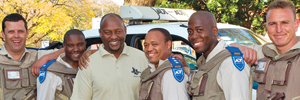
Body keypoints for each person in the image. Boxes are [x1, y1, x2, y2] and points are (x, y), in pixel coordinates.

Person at [70, 13, 148, 100]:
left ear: (125, 31)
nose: (114, 37)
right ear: (100, 33)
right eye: (108, 32)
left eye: (118, 31)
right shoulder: (88, 63)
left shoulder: (142, 58)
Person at [237, 0, 300, 99]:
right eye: (273, 24)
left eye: (284, 23)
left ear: (296, 24)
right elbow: (226, 49)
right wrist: (241, 48)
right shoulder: (263, 52)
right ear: (266, 26)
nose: (279, 29)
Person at [186, 11, 251, 100]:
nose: (193, 36)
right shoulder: (204, 62)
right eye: (190, 32)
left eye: (199, 30)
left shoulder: (229, 64)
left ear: (214, 31)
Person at [0, 13, 62, 99]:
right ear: (3, 34)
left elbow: (69, 50)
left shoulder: (37, 55)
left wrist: (46, 58)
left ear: (27, 33)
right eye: (11, 32)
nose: (16, 36)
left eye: (20, 31)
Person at [139, 28, 189, 100]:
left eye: (154, 44)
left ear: (168, 45)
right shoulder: (153, 69)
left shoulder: (170, 74)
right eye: (146, 45)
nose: (149, 49)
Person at [37, 29, 86, 100]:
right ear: (64, 46)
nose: (76, 49)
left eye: (79, 44)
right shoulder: (51, 74)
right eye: (70, 45)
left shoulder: (89, 67)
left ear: (85, 44)